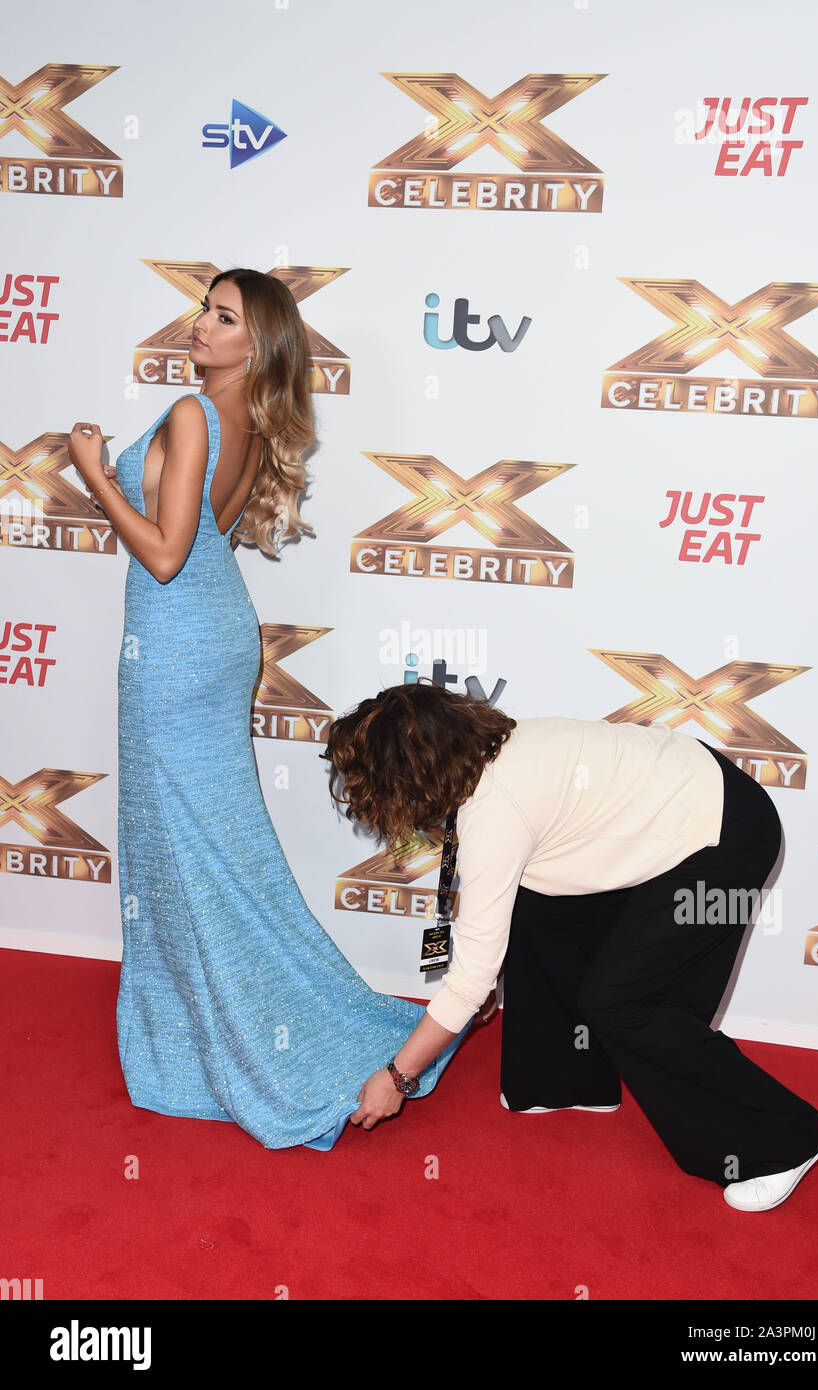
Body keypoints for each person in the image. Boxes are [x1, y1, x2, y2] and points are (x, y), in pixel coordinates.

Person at [65, 268, 468, 1151]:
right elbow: (199, 535)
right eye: (204, 309)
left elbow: (166, 555)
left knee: (182, 837)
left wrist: (95, 474)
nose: (200, 326)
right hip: (214, 637)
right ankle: (224, 1010)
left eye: (223, 317)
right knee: (209, 836)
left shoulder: (188, 414)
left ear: (259, 343)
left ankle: (216, 1034)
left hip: (173, 645)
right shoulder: (244, 422)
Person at [321, 680, 818, 1210]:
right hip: (678, 800)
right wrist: (483, 972)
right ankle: (566, 1079)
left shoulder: (496, 811)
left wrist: (398, 1077)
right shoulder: (487, 756)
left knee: (626, 1004)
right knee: (541, 905)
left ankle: (783, 1142)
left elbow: (469, 979)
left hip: (721, 834)